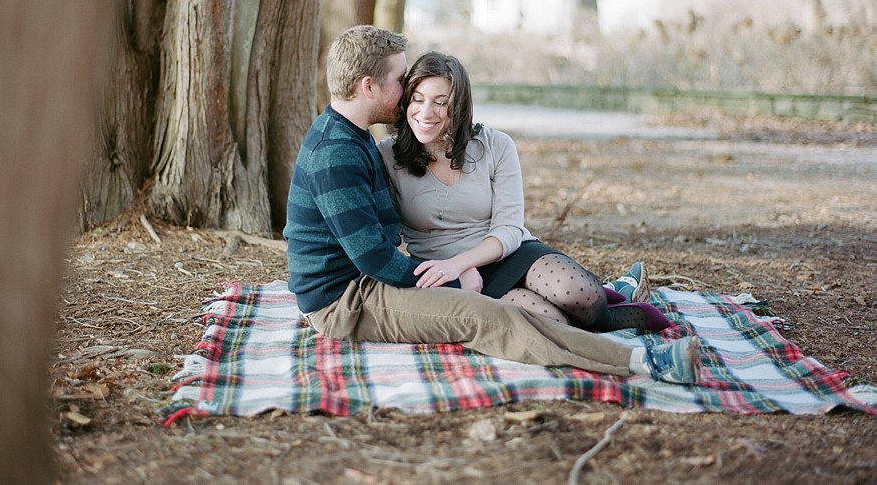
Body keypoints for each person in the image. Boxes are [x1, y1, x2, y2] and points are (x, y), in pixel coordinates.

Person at [284, 25, 701, 385]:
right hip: (347, 302)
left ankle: (615, 303)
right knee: (486, 317)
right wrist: (455, 282)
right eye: (400, 81)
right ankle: (645, 362)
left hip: (369, 284)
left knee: (537, 303)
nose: (405, 91)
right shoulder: (338, 151)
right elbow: (374, 257)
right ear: (367, 86)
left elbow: (379, 245)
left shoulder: (352, 138)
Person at [377, 51, 670, 333]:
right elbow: (382, 238)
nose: (425, 112)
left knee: (580, 294)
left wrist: (460, 264)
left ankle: (607, 305)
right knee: (552, 323)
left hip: (510, 254)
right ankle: (618, 294)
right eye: (417, 99)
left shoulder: (495, 145)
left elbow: (509, 228)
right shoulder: (387, 156)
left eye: (440, 102)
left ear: (459, 106)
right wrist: (451, 275)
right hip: (449, 272)